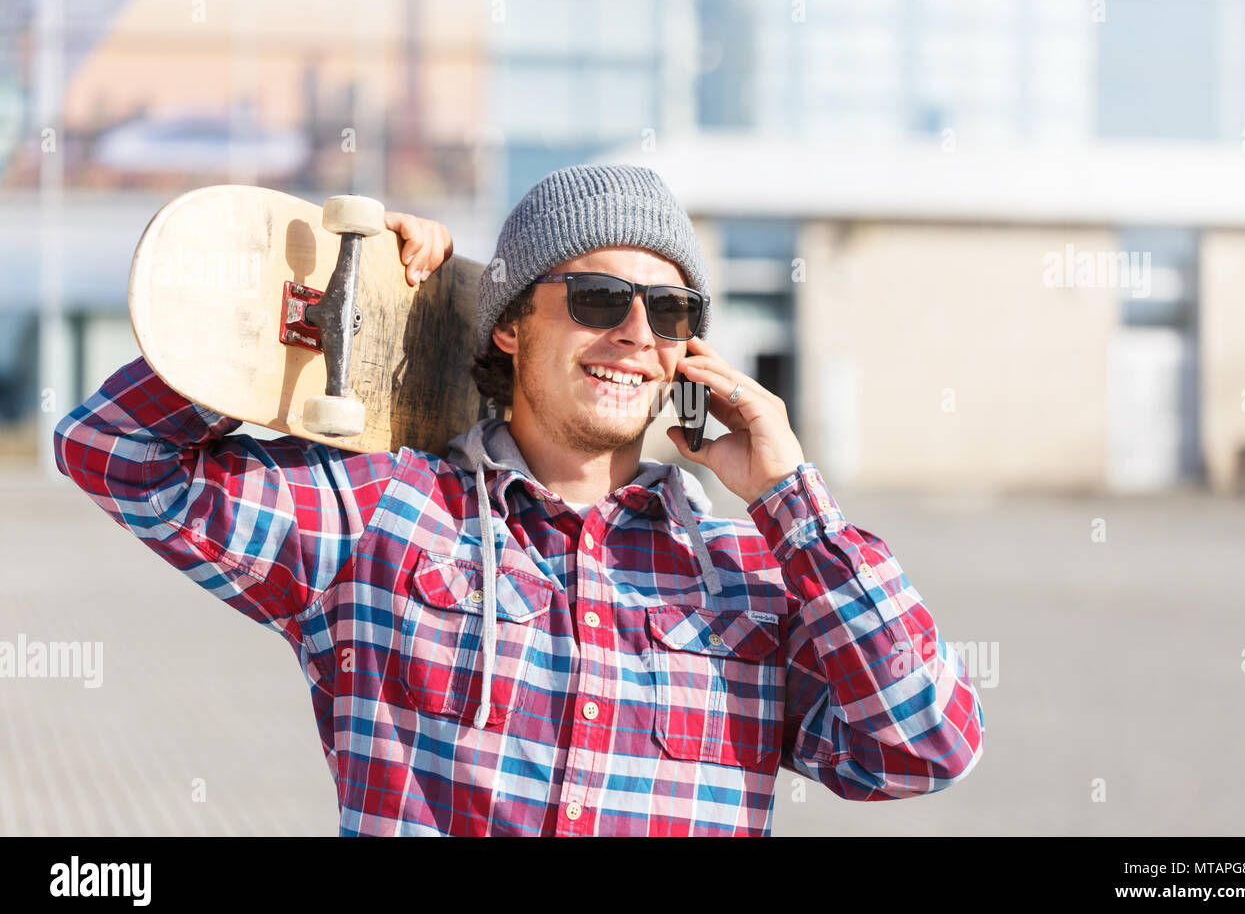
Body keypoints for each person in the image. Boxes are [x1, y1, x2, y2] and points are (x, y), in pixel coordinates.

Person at [54, 163, 984, 836]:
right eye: (596, 298)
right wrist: (311, 319)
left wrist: (791, 500)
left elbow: (924, 745)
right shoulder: (379, 517)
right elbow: (113, 452)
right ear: (507, 323)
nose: (634, 333)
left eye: (669, 314)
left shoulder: (746, 578)